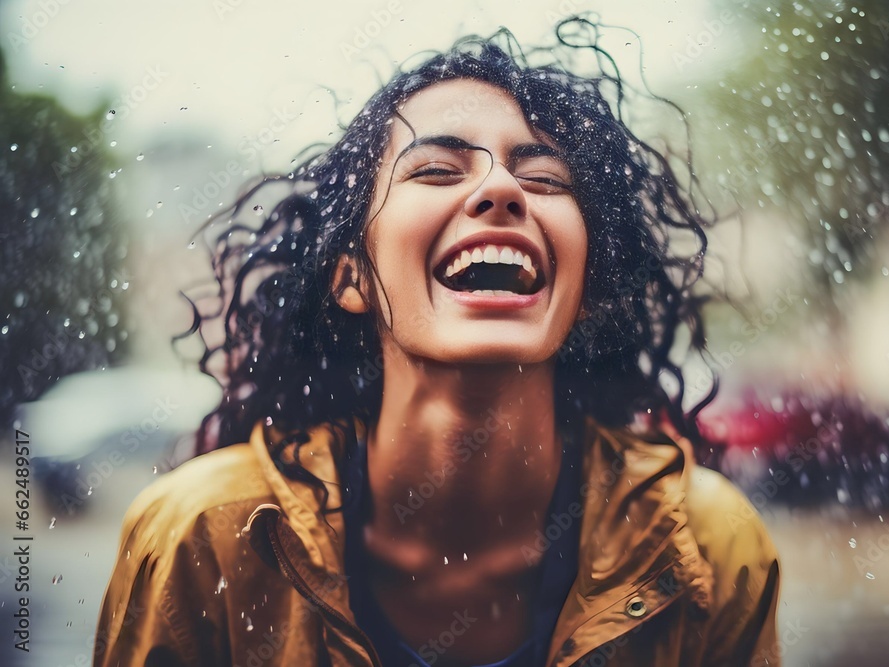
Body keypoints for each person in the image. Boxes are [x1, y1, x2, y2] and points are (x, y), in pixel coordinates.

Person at [94, 21, 780, 667]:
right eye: (435, 170)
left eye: (543, 178)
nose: (501, 188)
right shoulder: (203, 539)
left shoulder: (709, 550)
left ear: (589, 285)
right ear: (351, 276)